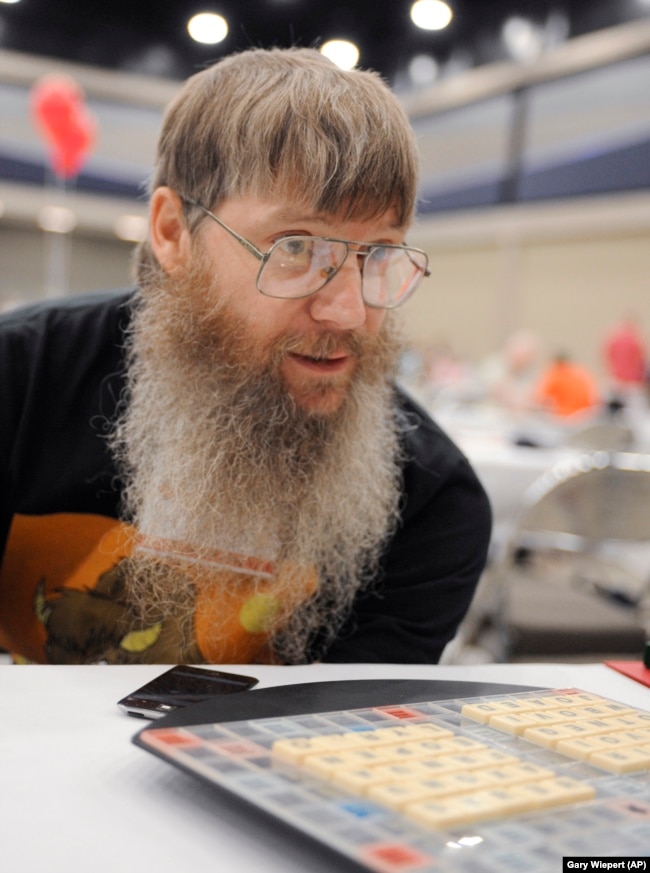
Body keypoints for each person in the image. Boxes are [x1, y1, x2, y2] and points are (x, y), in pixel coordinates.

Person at [0, 47, 491, 665]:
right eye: (295, 247)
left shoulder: (433, 500)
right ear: (174, 234)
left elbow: (339, 743)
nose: (348, 311)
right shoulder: (19, 380)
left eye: (379, 254)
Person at [534, 352, 600, 418]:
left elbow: (541, 398)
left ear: (556, 363)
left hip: (565, 415)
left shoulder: (556, 374)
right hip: (585, 415)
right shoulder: (582, 373)